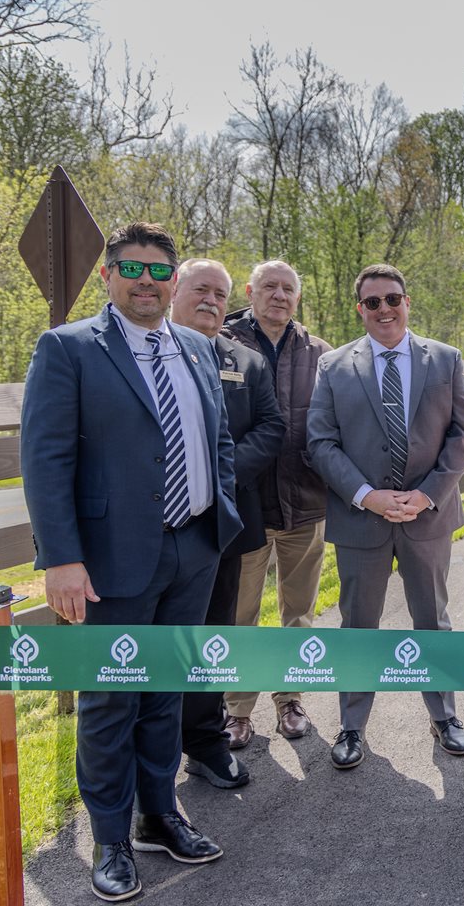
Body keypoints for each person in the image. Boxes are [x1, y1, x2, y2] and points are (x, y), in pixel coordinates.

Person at [21, 222, 244, 901]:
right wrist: (61, 558)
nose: (146, 281)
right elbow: (45, 457)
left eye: (158, 271)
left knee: (164, 695)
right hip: (111, 559)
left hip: (193, 548)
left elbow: (219, 440)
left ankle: (159, 815)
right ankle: (110, 839)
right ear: (107, 275)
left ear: (173, 281)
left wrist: (218, 516)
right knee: (111, 700)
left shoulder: (201, 350)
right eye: (131, 268)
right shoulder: (68, 350)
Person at [308, 263, 464, 770]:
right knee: (359, 627)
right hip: (362, 520)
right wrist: (366, 495)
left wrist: (426, 496)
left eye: (393, 299)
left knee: (433, 621)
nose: (385, 309)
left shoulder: (444, 359)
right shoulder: (334, 367)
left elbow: (462, 436)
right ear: (360, 309)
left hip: (428, 517)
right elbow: (320, 442)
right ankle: (352, 725)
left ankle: (444, 715)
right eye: (374, 301)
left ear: (408, 302)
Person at [169, 259, 285, 790]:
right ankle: (150, 755)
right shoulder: (150, 354)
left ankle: (206, 744)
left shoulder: (246, 362)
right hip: (153, 532)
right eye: (200, 290)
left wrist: (219, 469)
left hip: (223, 525)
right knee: (156, 644)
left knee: (213, 637)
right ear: (175, 292)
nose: (212, 301)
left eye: (219, 293)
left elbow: (271, 425)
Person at [219, 260, 331, 746]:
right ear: (250, 291)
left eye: (288, 289)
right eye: (269, 286)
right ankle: (237, 709)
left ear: (298, 298)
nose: (279, 295)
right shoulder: (222, 345)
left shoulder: (320, 354)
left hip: (304, 505)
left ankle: (290, 699)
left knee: (298, 611)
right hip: (244, 508)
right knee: (241, 613)